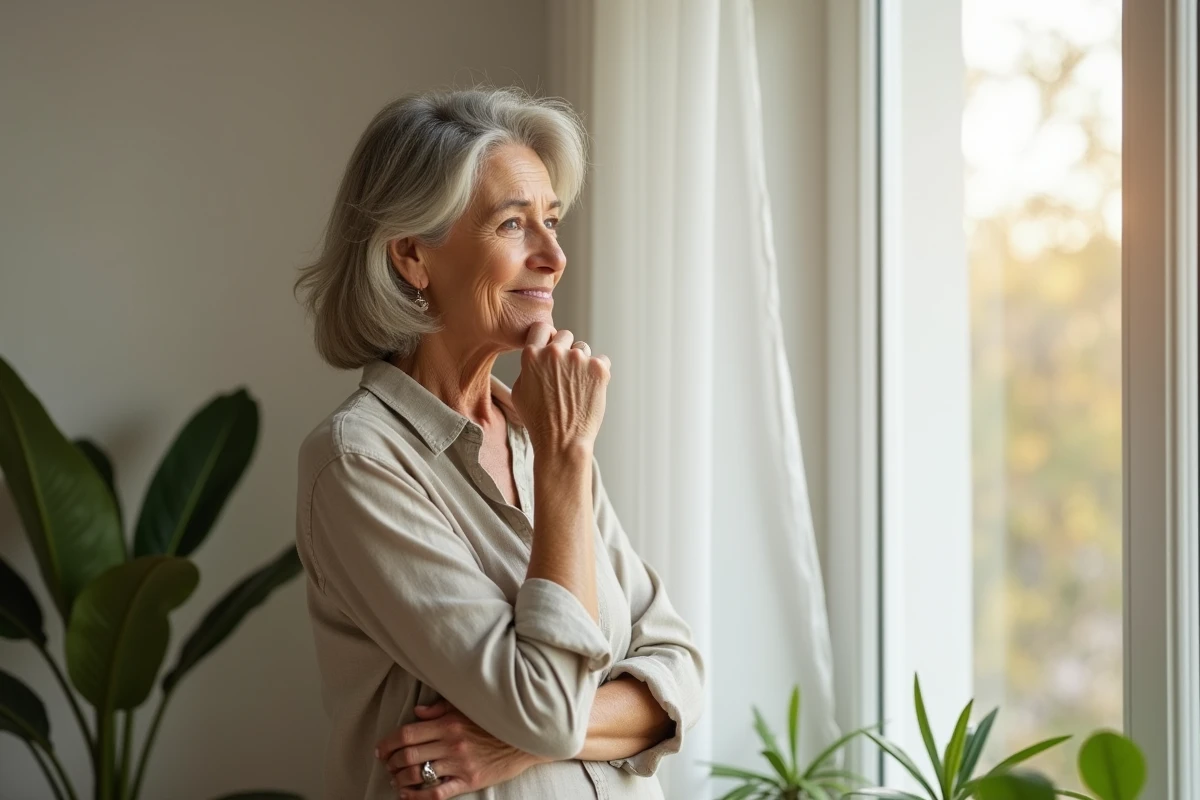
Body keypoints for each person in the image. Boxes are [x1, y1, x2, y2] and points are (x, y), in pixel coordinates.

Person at [292, 88, 705, 799]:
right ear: (413, 258)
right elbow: (545, 709)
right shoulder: (358, 463)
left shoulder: (534, 433)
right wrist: (567, 461)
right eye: (515, 225)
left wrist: (501, 746)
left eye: (552, 221)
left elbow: (681, 666)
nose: (554, 257)